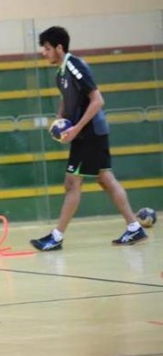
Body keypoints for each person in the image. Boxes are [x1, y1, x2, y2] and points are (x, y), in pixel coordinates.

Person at [30, 26, 147, 251]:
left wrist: (76, 129)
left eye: (47, 48)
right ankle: (134, 227)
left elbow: (97, 100)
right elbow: (67, 99)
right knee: (105, 179)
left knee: (72, 183)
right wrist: (60, 119)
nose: (43, 53)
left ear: (59, 48)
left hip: (89, 132)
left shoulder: (74, 66)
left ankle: (56, 237)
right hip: (88, 132)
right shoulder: (60, 73)